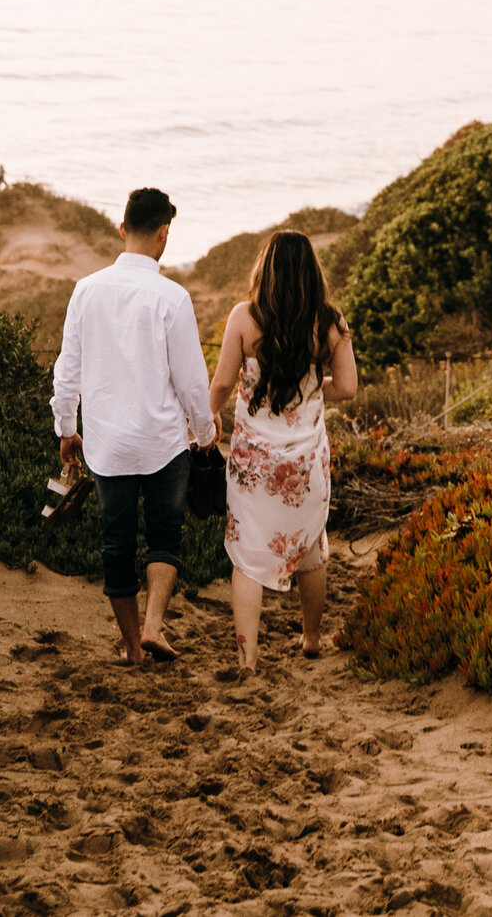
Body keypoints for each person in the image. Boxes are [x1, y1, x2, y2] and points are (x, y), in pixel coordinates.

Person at [51, 187, 217, 664]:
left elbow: (68, 371)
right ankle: (153, 626)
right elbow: (190, 381)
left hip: (108, 445)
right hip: (164, 443)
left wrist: (66, 429)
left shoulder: (86, 290)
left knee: (116, 543)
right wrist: (205, 435)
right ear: (164, 234)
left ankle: (131, 647)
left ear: (122, 229)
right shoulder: (173, 298)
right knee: (166, 535)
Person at [208, 230, 358, 672]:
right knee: (311, 547)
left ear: (265, 268)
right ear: (312, 271)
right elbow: (348, 388)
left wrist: (206, 416)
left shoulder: (243, 317)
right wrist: (309, 389)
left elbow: (220, 383)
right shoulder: (330, 322)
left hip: (255, 463)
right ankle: (311, 640)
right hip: (305, 463)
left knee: (248, 555)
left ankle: (248, 658)